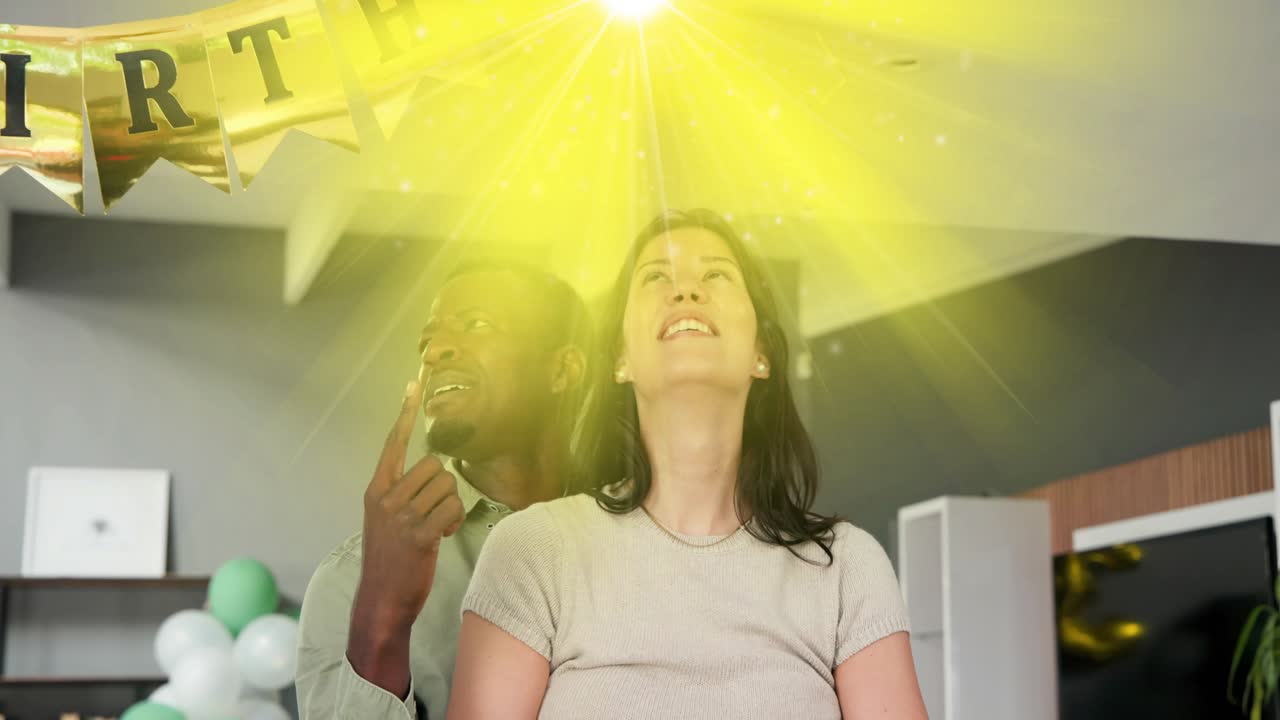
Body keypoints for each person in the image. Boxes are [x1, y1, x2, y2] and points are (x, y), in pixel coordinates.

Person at [447, 209, 928, 719]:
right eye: (656, 277)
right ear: (620, 359)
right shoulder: (533, 551)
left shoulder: (846, 568)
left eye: (716, 274)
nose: (686, 291)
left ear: (761, 354)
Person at [295, 262, 590, 719]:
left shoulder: (636, 537)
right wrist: (382, 620)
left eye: (477, 324)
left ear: (561, 370)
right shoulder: (349, 582)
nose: (434, 352)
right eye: (426, 341)